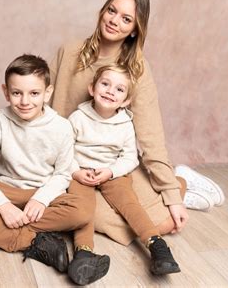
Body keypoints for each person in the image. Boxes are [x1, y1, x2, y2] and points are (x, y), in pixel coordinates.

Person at [49, 0, 225, 247]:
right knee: (84, 215)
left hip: (115, 167)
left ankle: (178, 185)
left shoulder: (137, 68)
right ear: (102, 11)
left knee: (161, 219)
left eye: (126, 19)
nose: (114, 21)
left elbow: (151, 137)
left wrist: (171, 197)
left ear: (134, 30)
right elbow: (44, 99)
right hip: (70, 163)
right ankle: (178, 184)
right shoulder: (69, 51)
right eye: (112, 10)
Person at [0, 54, 110, 285]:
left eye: (34, 93)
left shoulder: (61, 127)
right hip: (5, 189)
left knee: (81, 211)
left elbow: (62, 173)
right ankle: (37, 242)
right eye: (16, 93)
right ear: (5, 92)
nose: (24, 101)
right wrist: (3, 206)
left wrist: (41, 200)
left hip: (43, 193)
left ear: (47, 93)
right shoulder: (0, 121)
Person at [69, 63, 180, 275]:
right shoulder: (77, 118)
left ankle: (156, 245)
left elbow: (130, 157)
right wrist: (76, 172)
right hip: (80, 172)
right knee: (82, 208)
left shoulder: (125, 124)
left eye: (119, 89)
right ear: (92, 88)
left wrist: (111, 171)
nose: (111, 91)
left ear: (126, 100)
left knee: (128, 203)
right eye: (105, 84)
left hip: (112, 172)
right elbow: (64, 151)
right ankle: (83, 252)